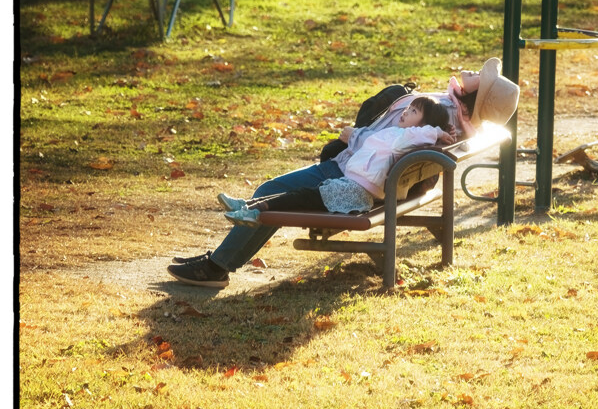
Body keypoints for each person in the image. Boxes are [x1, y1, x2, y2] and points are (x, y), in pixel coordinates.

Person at [167, 57, 519, 288]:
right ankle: (218, 262)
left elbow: (386, 140)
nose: (472, 72)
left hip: (350, 177)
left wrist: (352, 136)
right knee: (273, 192)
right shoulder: (454, 117)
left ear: (475, 98)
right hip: (370, 178)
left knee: (270, 189)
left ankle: (216, 269)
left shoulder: (439, 111)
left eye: (479, 79)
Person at [217, 96, 453, 225]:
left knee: (301, 197)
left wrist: (439, 133)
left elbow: (424, 133)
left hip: (355, 192)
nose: (404, 112)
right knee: (301, 193)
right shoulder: (397, 134)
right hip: (350, 186)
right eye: (408, 108)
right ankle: (248, 205)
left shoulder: (408, 137)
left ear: (424, 124)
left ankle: (254, 212)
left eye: (413, 112)